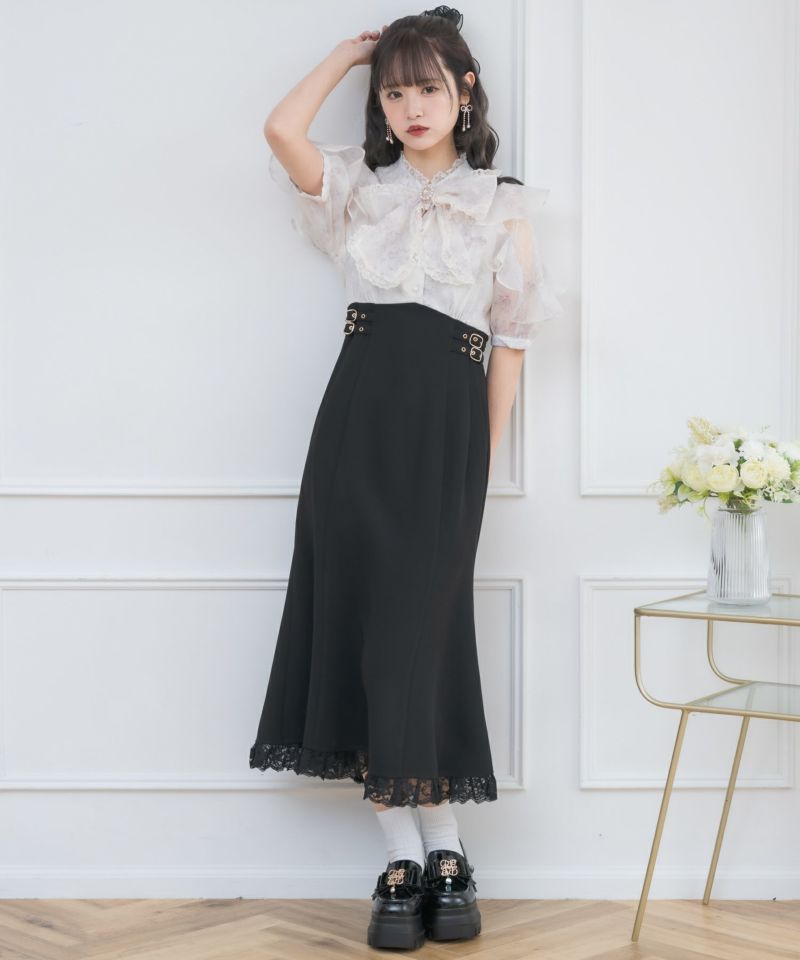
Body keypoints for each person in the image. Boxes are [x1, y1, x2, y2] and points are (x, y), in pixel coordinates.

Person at [249, 5, 563, 950]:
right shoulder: (357, 185)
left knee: (416, 636)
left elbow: (510, 346)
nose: (411, 106)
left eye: (427, 86)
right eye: (394, 92)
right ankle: (407, 859)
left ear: (464, 90)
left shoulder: (504, 203)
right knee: (358, 628)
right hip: (355, 425)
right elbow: (281, 131)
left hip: (445, 433)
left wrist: (480, 464)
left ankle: (447, 847)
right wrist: (347, 56)